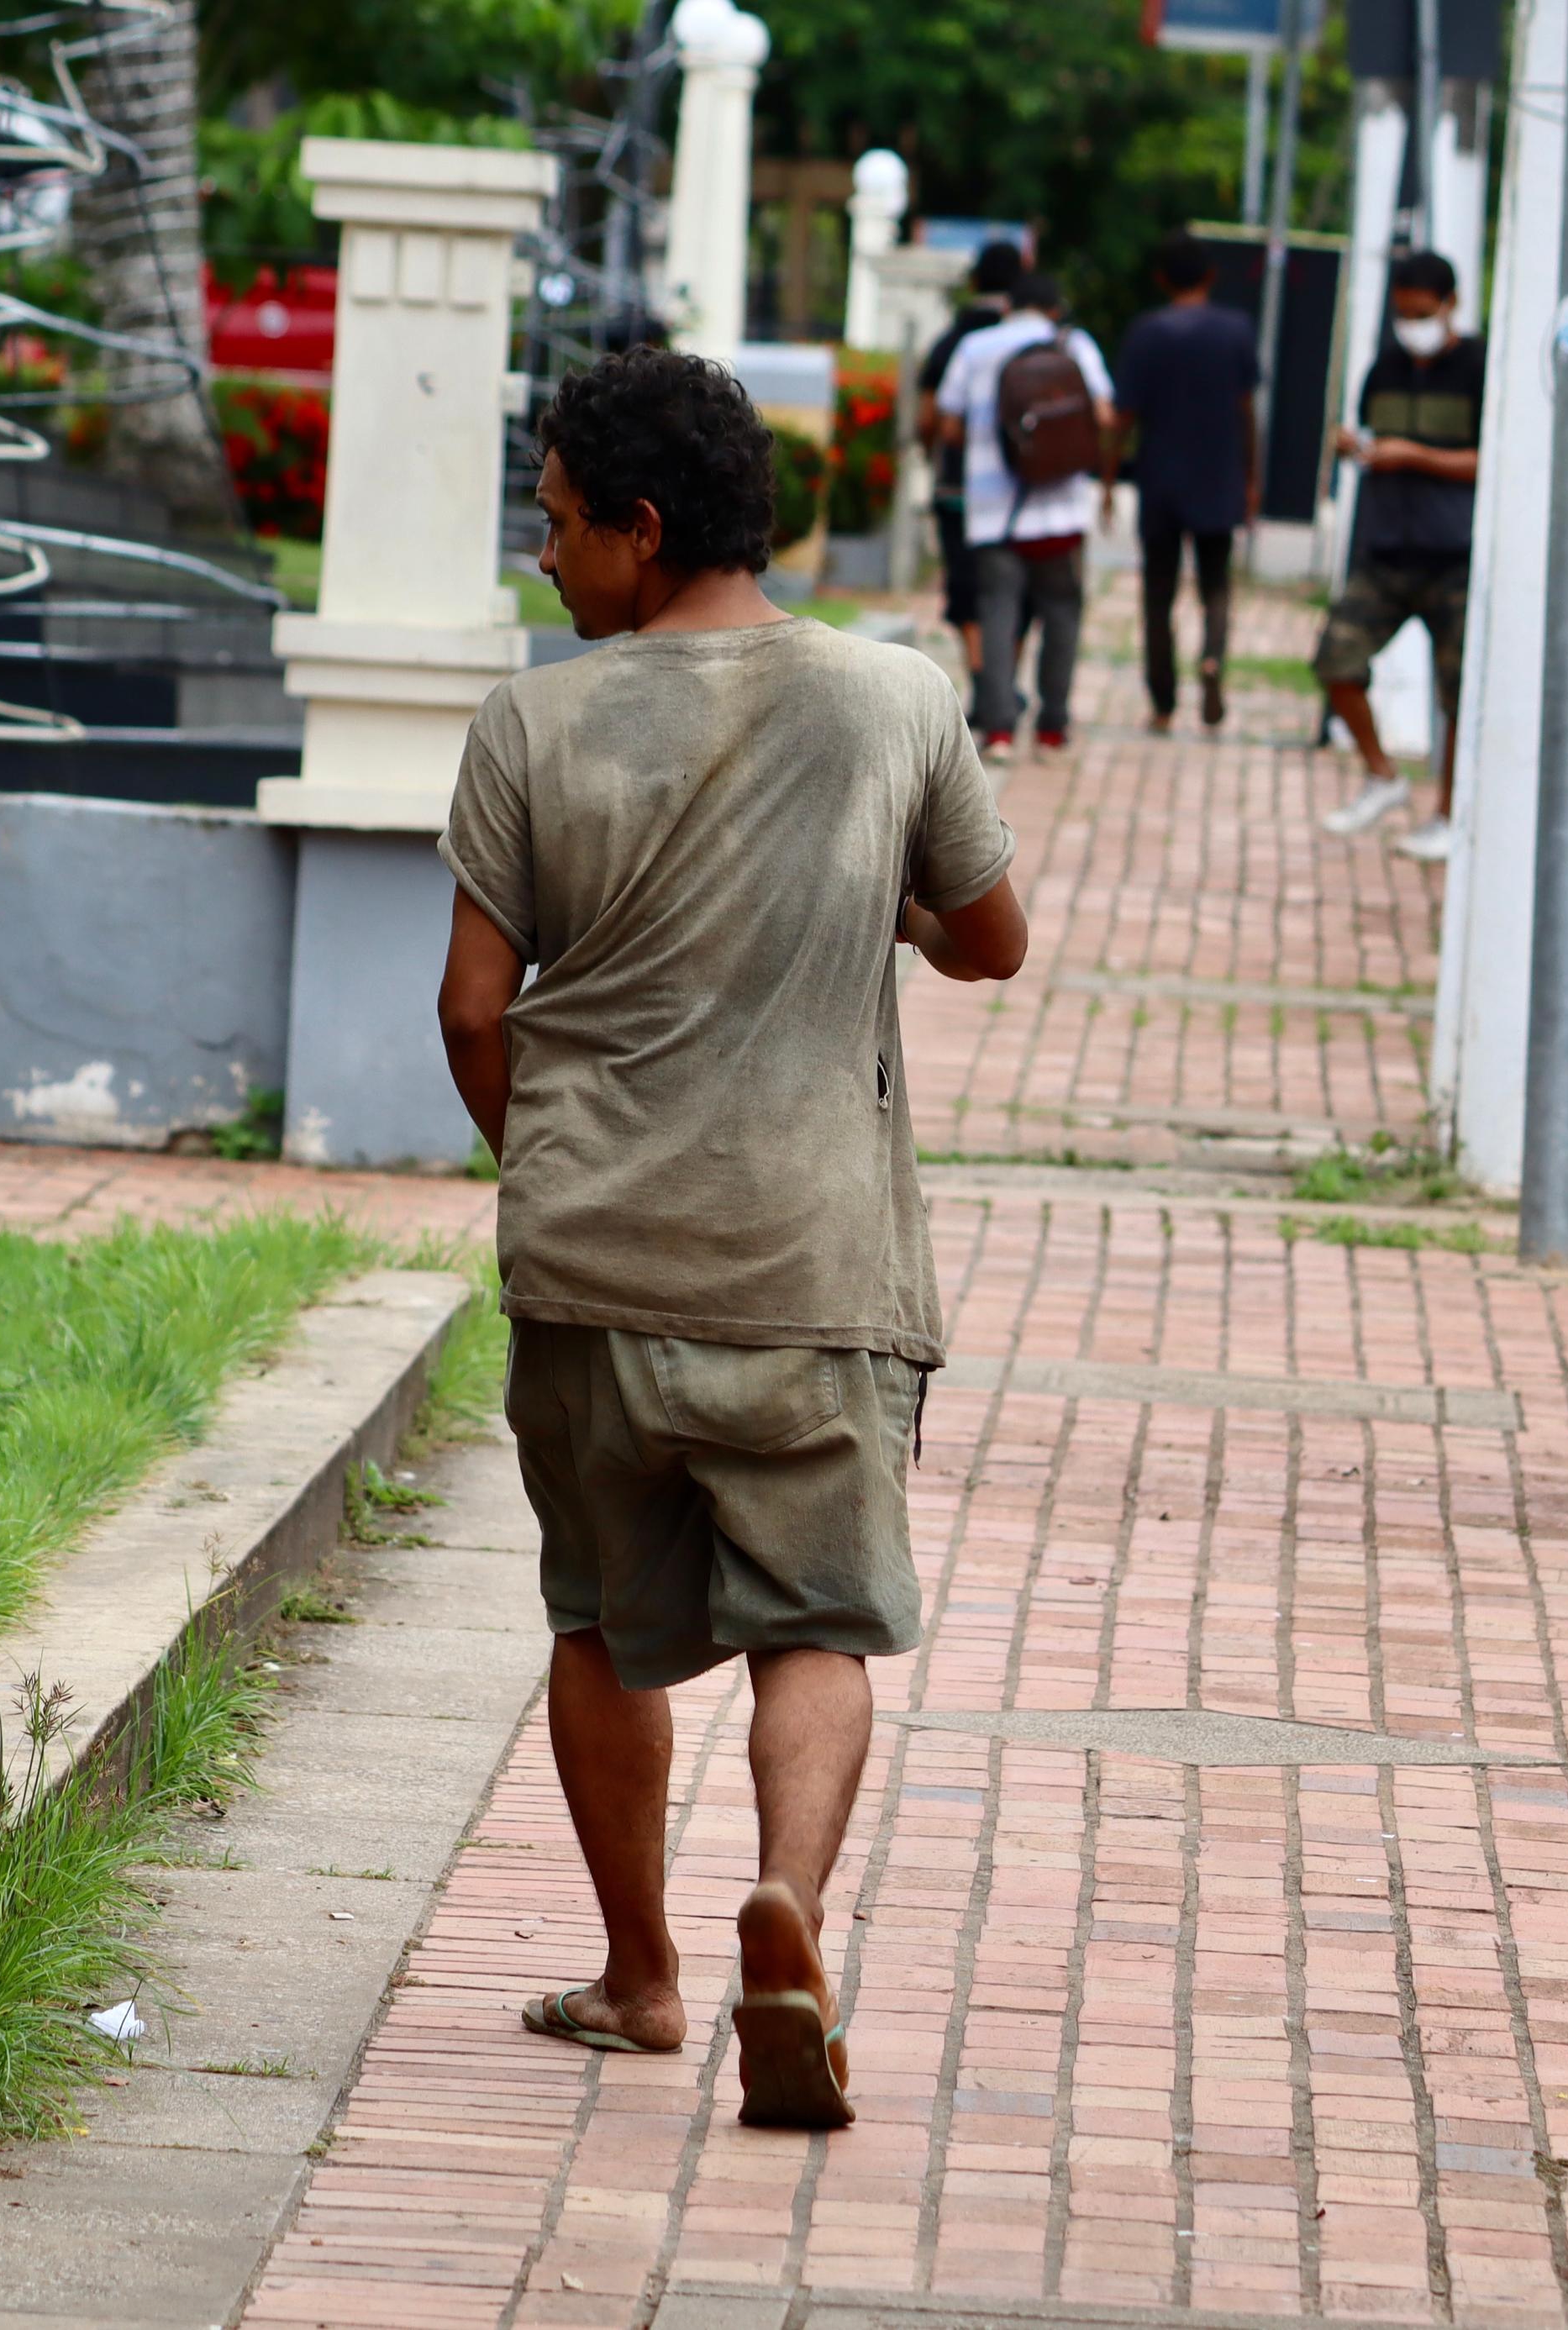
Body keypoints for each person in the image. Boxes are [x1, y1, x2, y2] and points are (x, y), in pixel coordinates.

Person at [435, 345, 1029, 2131]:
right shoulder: (893, 700)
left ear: (639, 526)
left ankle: (639, 1976)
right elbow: (992, 940)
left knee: (601, 1628)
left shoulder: (533, 725)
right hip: (814, 1264)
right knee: (816, 1622)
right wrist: (897, 917)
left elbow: (476, 1010)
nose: (542, 561)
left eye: (555, 528)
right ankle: (791, 1907)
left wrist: (543, 1167)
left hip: (593, 1268)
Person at [1316, 250, 1484, 858]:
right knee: (1336, 659)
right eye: (1402, 314)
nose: (1411, 324)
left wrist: (1414, 455)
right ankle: (1381, 776)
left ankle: (1449, 814)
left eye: (1421, 313)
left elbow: (1492, 461)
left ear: (1450, 306)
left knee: (1460, 693)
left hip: (1454, 555)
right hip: (1385, 547)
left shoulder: (1478, 365)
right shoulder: (1384, 366)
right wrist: (1352, 446)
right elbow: (1369, 435)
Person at [937, 270, 1117, 755]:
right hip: (1060, 512)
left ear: (1008, 306)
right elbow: (1104, 416)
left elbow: (948, 424)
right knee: (1062, 613)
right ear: (1054, 308)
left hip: (993, 513)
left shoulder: (975, 347)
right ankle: (1052, 725)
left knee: (998, 611)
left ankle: (998, 728)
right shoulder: (1074, 345)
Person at [1113, 234, 1260, 733]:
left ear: (1161, 279)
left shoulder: (1145, 332)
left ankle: (1163, 702)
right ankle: (1213, 659)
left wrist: (1110, 479)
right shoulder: (1236, 330)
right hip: (1218, 477)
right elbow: (1247, 413)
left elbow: (1123, 417)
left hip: (1160, 479)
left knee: (1159, 593)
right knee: (1216, 585)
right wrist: (1252, 478)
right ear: (1211, 277)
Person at [913, 240, 1026, 684]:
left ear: (975, 280)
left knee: (964, 585)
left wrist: (930, 455)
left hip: (958, 486)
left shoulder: (951, 344)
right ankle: (1003, 677)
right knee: (1013, 588)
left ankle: (982, 674)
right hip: (1019, 490)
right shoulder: (1028, 340)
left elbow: (929, 417)